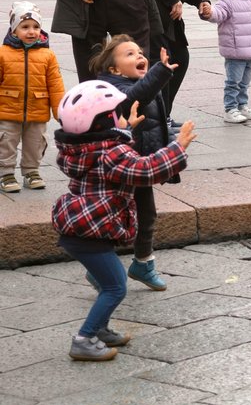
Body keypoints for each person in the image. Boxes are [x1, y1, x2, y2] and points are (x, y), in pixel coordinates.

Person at [52, 79, 194, 361]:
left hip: (80, 224)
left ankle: (101, 330)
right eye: (115, 114)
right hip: (89, 230)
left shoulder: (83, 148)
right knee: (115, 286)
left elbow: (108, 148)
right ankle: (84, 337)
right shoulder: (111, 153)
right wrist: (178, 147)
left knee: (110, 283)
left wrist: (125, 128)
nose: (119, 116)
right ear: (103, 122)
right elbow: (145, 169)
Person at [90, 35, 177, 291]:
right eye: (130, 54)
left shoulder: (141, 81)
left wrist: (170, 147)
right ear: (113, 69)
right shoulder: (112, 88)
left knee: (147, 214)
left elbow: (157, 123)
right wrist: (160, 71)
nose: (139, 56)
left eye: (139, 52)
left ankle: (143, 263)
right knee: (114, 218)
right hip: (117, 168)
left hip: (138, 165)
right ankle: (100, 270)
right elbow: (135, 97)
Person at [0, 1, 65, 193]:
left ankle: (31, 171)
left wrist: (60, 110)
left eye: (36, 27)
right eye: (25, 27)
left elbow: (55, 85)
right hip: (8, 108)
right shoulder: (3, 54)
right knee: (6, 142)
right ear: (14, 30)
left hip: (38, 109)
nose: (31, 31)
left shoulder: (48, 55)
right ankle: (6, 173)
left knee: (35, 143)